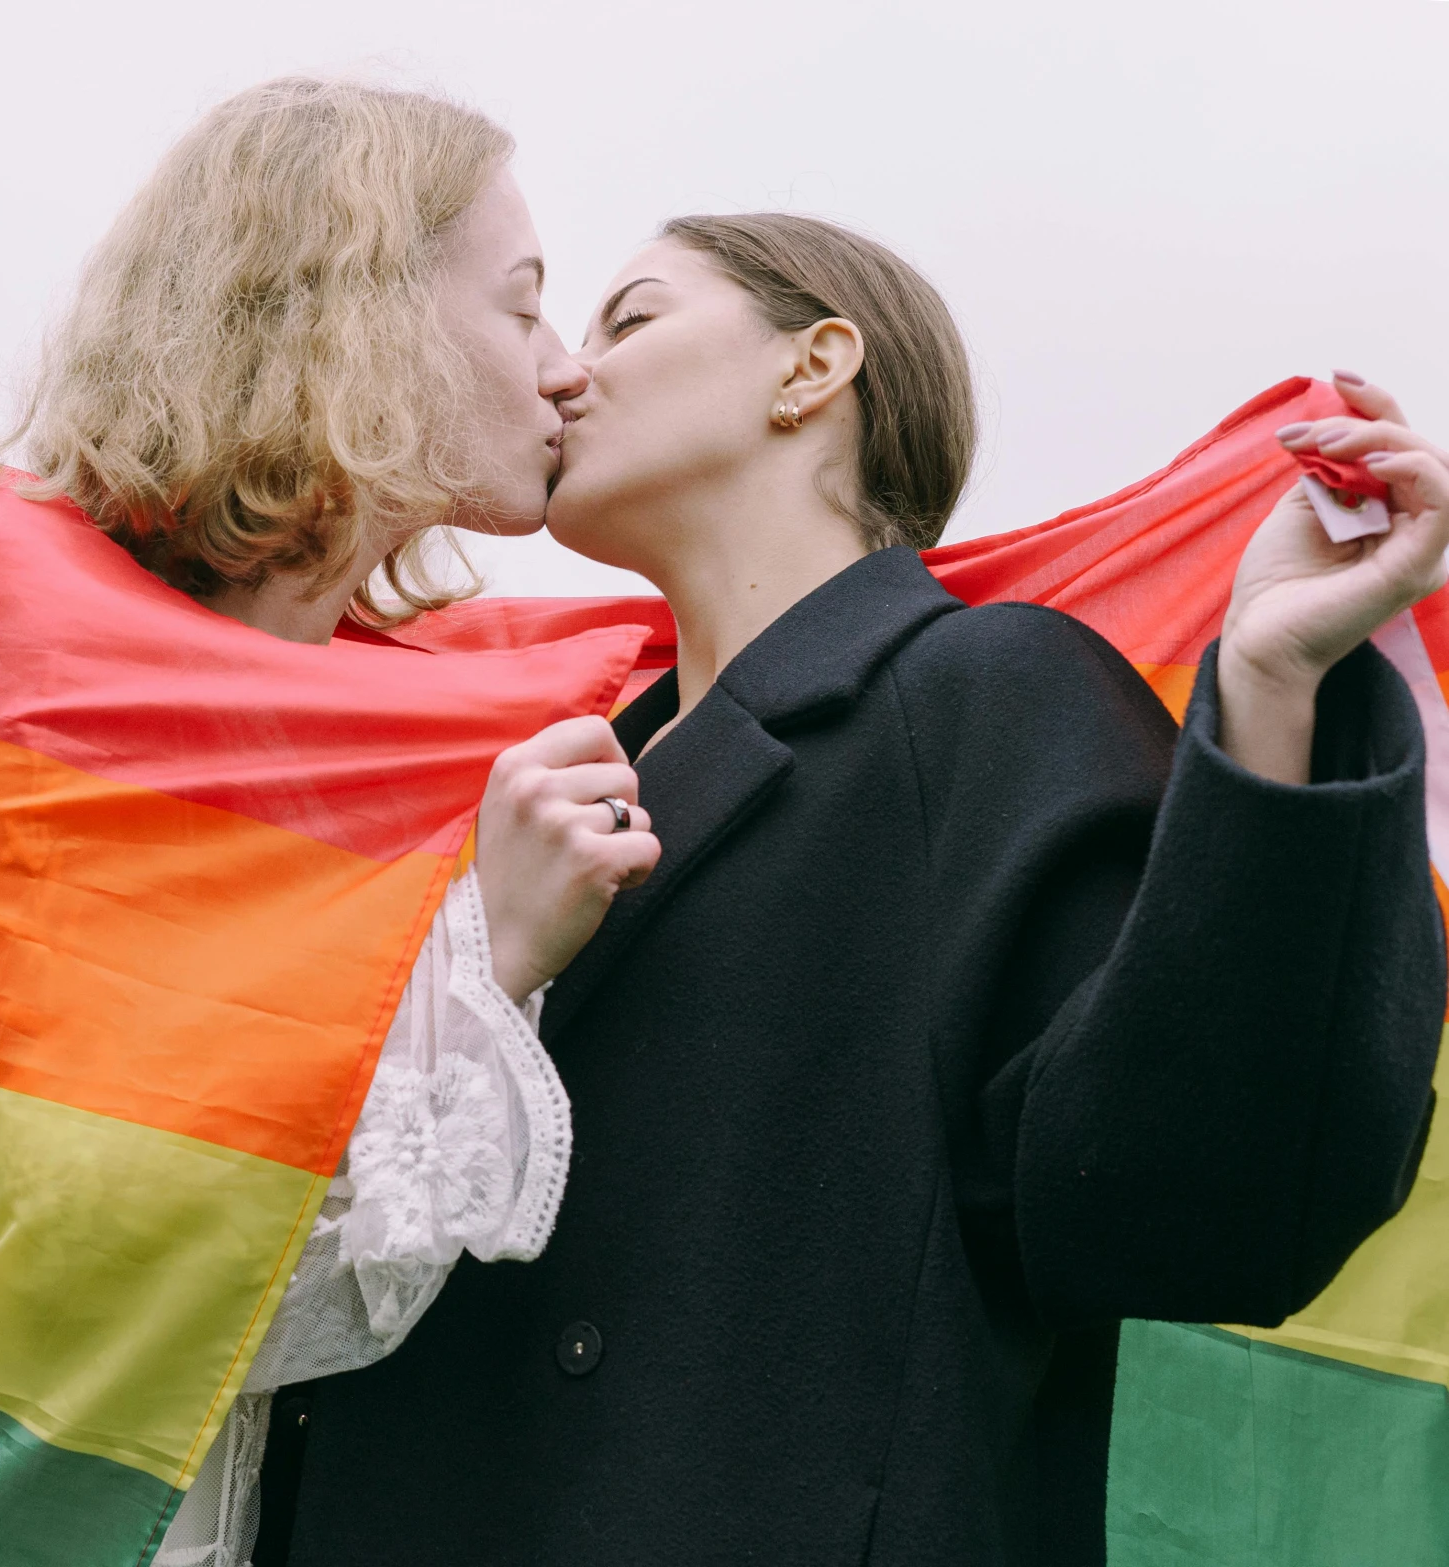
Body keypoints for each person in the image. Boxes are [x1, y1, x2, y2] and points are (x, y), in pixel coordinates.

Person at [264, 215, 1447, 1565]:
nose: (563, 375)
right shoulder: (514, 790)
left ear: (813, 367)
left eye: (629, 319)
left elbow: (1194, 1206)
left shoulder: (984, 696)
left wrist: (1273, 685)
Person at [0, 80, 664, 1567]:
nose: (568, 371)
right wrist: (493, 961)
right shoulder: (55, 714)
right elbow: (127, 1274)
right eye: (522, 312)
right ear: (362, 319)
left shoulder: (450, 704)